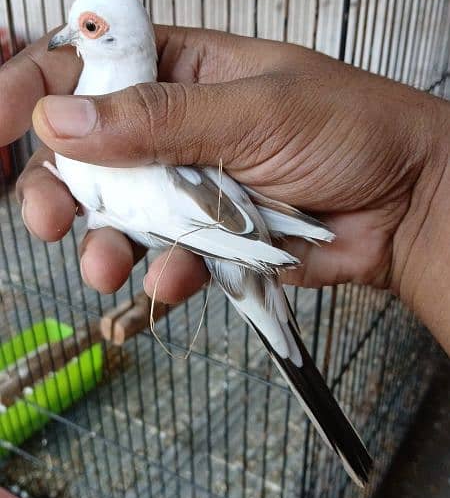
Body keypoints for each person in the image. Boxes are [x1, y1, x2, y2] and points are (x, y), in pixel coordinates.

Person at [0, 26, 448, 353]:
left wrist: (421, 190)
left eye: (89, 27)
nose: (64, 37)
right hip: (225, 221)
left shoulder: (98, 135)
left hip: (222, 233)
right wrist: (421, 196)